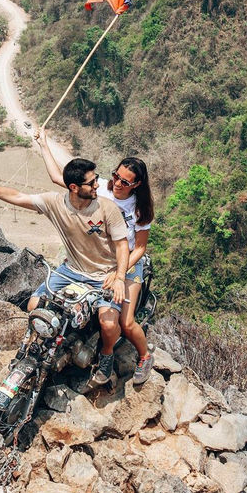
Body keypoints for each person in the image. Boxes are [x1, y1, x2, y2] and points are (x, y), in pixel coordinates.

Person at [0, 157, 129, 387]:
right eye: (91, 183)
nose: (97, 186)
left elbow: (122, 245)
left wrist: (120, 276)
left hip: (104, 275)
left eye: (96, 180)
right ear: (73, 187)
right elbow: (17, 196)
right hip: (71, 270)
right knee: (34, 305)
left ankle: (107, 356)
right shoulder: (55, 203)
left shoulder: (107, 209)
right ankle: (37, 349)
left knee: (109, 324)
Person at [35, 129, 155, 385]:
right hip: (97, 261)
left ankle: (140, 356)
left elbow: (140, 248)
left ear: (137, 185)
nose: (118, 183)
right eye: (116, 176)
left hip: (128, 265)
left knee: (125, 320)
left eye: (125, 181)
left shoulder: (139, 209)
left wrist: (120, 273)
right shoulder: (100, 193)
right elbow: (59, 178)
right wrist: (43, 144)